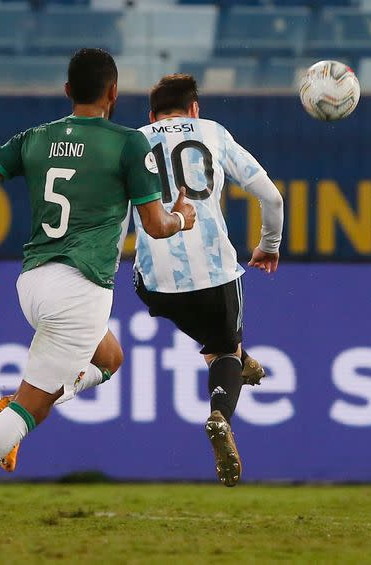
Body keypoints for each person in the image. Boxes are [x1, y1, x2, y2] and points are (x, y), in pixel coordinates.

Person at [0, 48, 195, 529]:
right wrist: (182, 217)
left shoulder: (37, 139)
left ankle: (13, 409)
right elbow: (155, 225)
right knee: (32, 407)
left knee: (109, 359)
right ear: (114, 92)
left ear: (67, 92)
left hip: (34, 283)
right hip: (80, 290)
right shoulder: (128, 145)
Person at [133, 73, 284, 487]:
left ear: (151, 115)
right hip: (215, 274)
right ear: (195, 109)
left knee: (210, 334)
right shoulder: (212, 133)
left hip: (153, 281)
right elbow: (271, 196)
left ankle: (239, 355)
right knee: (224, 352)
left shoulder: (132, 141)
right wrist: (269, 244)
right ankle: (221, 413)